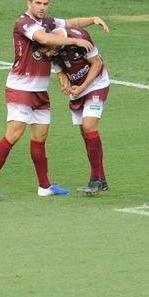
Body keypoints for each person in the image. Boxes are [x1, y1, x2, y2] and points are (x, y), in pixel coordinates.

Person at [0, 0, 108, 200]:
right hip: (20, 87)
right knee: (14, 134)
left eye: (45, 4)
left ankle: (44, 186)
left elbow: (70, 24)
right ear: (29, 3)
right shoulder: (24, 23)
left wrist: (93, 19)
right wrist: (75, 41)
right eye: (38, 3)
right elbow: (45, 39)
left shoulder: (48, 23)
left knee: (40, 138)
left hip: (39, 91)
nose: (42, 7)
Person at [48, 25, 111, 195]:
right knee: (85, 133)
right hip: (78, 90)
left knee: (89, 125)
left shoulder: (79, 38)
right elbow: (60, 71)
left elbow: (97, 63)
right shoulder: (50, 48)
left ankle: (96, 180)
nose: (49, 55)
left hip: (96, 84)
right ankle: (101, 178)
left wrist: (82, 87)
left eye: (49, 51)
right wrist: (65, 83)